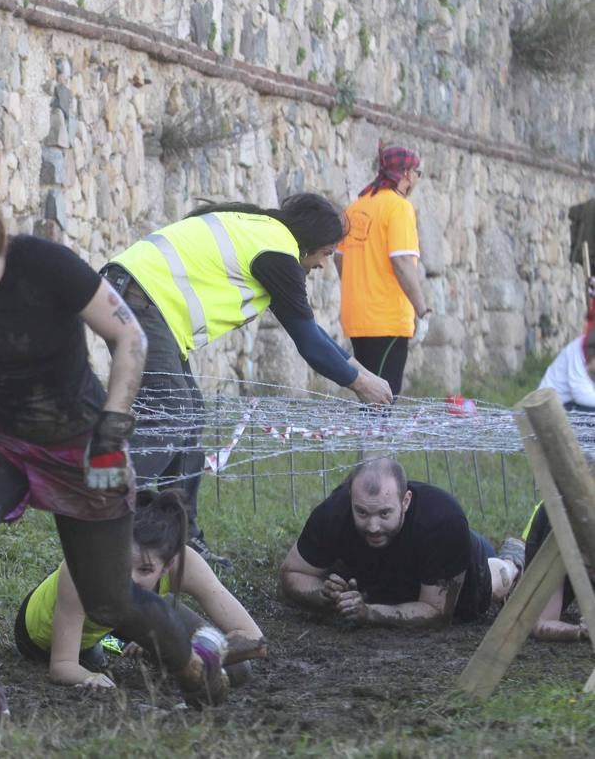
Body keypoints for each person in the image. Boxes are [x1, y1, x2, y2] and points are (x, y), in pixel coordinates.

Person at [0, 174, 228, 719]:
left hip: (82, 440)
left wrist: (112, 432)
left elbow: (130, 337)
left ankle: (193, 666)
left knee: (109, 601)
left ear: (3, 249)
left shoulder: (47, 264)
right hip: (2, 433)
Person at [101, 194, 394, 565]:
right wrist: (360, 384)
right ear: (309, 242)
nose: (324, 264)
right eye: (325, 253)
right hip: (137, 300)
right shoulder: (277, 254)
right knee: (172, 415)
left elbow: (315, 335)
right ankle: (101, 510)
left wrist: (361, 371)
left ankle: (181, 540)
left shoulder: (263, 234)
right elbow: (308, 342)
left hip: (137, 296)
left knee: (189, 416)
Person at [13, 489, 266, 689]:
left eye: (145, 569)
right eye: (122, 564)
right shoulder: (82, 567)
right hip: (53, 639)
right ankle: (122, 644)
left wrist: (193, 655)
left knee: (237, 671)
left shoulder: (185, 562)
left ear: (167, 565)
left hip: (123, 619)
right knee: (95, 655)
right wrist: (89, 677)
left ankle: (139, 642)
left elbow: (254, 638)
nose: (129, 578)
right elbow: (62, 666)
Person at [278, 454, 525, 627]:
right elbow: (291, 573)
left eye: (384, 513)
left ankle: (514, 558)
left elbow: (437, 613)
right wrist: (324, 595)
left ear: (405, 502)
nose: (373, 526)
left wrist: (369, 613)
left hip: (460, 566)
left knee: (499, 579)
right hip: (382, 577)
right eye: (362, 512)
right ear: (351, 498)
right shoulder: (335, 511)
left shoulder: (443, 521)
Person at [335, 144, 431, 396]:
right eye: (418, 173)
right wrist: (422, 310)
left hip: (356, 317)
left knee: (369, 397)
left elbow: (338, 258)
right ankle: (377, 437)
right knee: (384, 399)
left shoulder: (356, 207)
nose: (417, 180)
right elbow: (401, 262)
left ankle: (369, 436)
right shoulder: (399, 207)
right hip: (386, 319)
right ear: (408, 174)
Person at [522, 499, 592, 642]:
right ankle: (511, 559)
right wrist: (580, 632)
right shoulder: (559, 535)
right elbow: (541, 624)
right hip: (552, 542)